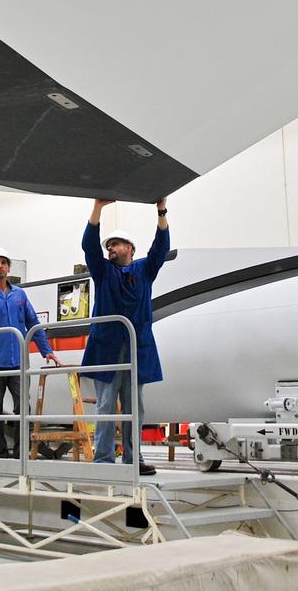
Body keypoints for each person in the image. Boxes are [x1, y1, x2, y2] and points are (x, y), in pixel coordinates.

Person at [81, 197, 170, 476]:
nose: (109, 248)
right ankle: (104, 460)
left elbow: (161, 248)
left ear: (129, 248)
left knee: (134, 406)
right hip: (107, 348)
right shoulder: (103, 272)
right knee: (106, 404)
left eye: (115, 244)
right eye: (108, 245)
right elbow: (88, 246)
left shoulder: (144, 270)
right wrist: (98, 207)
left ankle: (133, 459)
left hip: (136, 348)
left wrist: (161, 211)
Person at [0, 248, 61, 458]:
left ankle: (21, 452)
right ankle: (0, 452)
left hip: (19, 362)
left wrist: (46, 350)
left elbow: (33, 323)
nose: (0, 266)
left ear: (9, 268)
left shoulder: (19, 295)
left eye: (4, 262)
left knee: (23, 407)